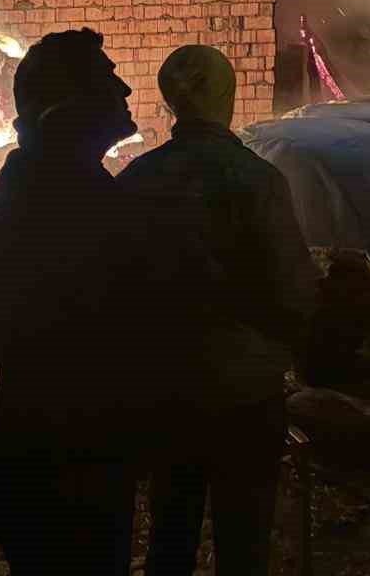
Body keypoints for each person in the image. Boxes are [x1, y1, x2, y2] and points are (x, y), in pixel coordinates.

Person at [121, 45, 318, 576]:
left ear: (171, 104)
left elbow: (115, 291)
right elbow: (295, 290)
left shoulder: (136, 182)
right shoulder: (257, 180)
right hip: (245, 391)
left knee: (171, 529)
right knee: (244, 537)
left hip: (166, 390)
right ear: (226, 99)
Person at [0, 28, 143, 574]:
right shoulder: (57, 194)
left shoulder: (51, 180)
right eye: (107, 79)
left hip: (63, 448)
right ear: (67, 106)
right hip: (65, 461)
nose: (124, 90)